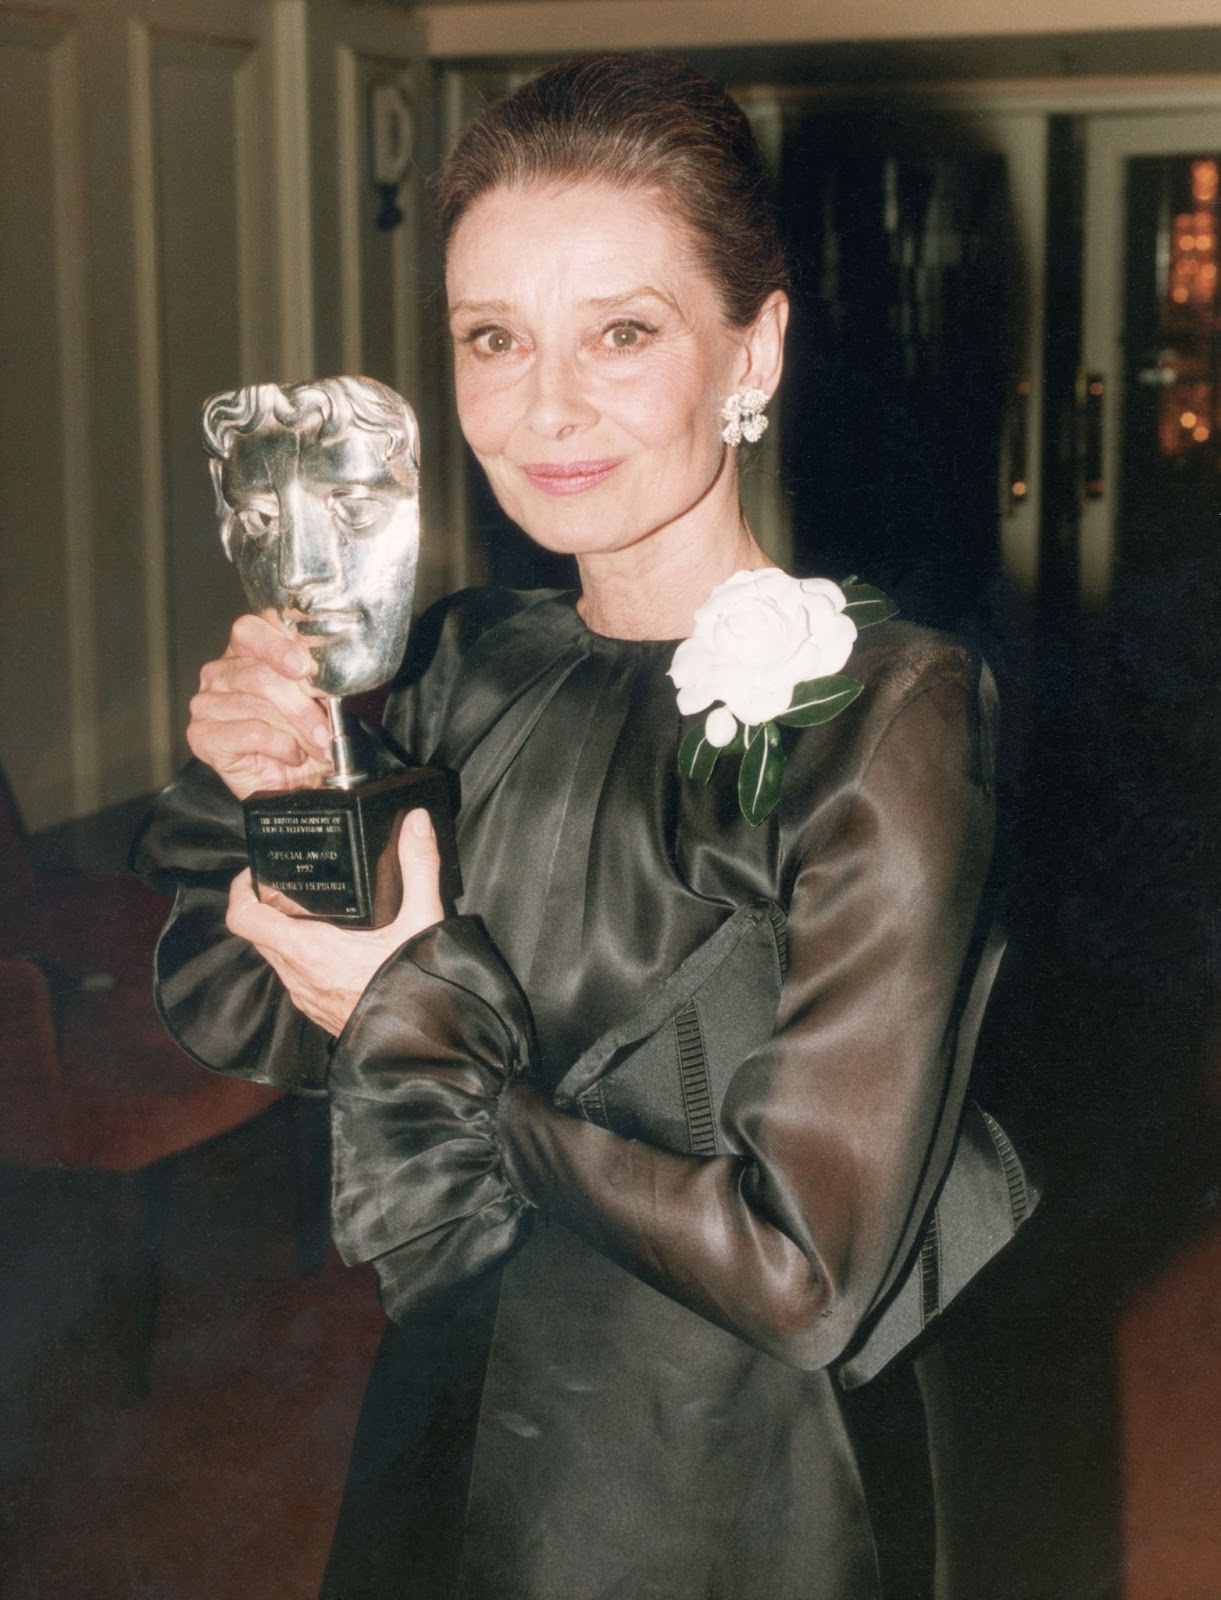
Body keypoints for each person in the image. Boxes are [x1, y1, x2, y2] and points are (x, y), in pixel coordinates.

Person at [135, 53, 1027, 1599]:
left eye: (622, 331)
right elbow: (253, 1017)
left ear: (754, 348)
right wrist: (273, 780)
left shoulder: (889, 712)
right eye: (493, 337)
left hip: (727, 1471)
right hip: (462, 1389)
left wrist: (414, 1018)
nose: (544, 408)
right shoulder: (463, 658)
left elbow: (801, 1271)